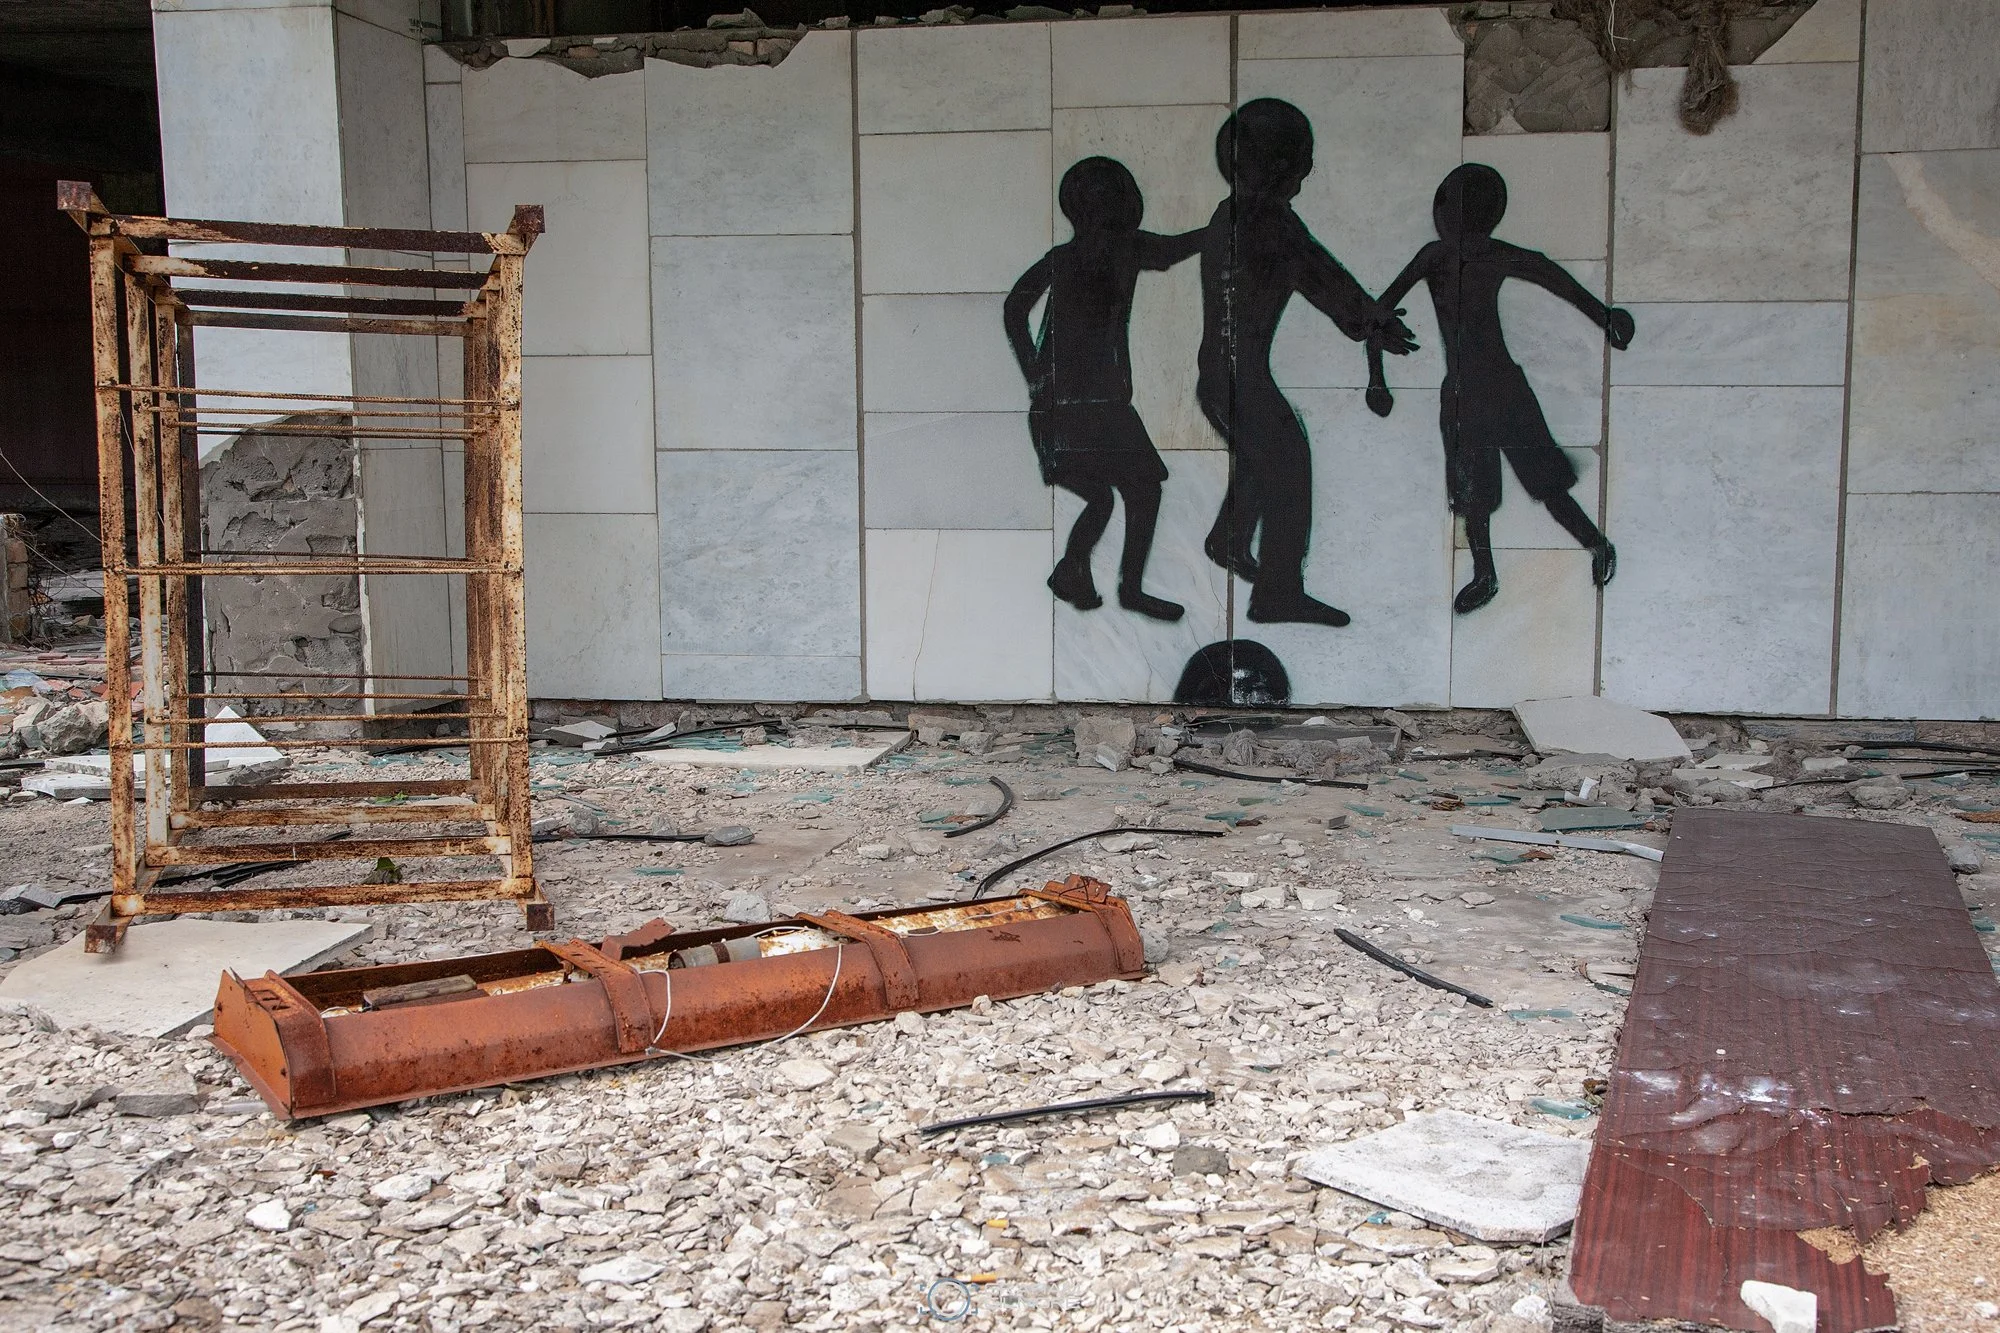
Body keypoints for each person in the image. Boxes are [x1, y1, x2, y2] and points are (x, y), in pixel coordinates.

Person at [1370, 162, 1634, 614]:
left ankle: (1595, 545)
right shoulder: (1440, 257)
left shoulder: (1476, 256)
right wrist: (1377, 379)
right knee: (1475, 495)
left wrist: (1604, 315)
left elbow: (1551, 276)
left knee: (1542, 484)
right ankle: (1486, 574)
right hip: (1469, 392)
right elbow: (1378, 314)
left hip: (1496, 389)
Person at [1196, 98, 1417, 628]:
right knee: (1288, 464)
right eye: (1301, 163)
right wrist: (1374, 323)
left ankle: (1228, 540)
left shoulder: (1227, 214)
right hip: (1242, 378)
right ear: (1280, 168)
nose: (1307, 174)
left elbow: (1322, 277)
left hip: (1216, 376)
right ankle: (1278, 593)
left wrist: (1366, 319)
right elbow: (1325, 279)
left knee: (1262, 455)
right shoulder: (1273, 224)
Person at [1002, 156, 1202, 621]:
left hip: (1073, 407)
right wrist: (1217, 228)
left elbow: (1016, 306)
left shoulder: (1077, 255)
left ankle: (1081, 571)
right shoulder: (1122, 248)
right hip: (1081, 408)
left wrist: (1034, 370)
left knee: (1114, 493)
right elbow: (1171, 250)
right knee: (1129, 491)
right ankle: (1105, 579)